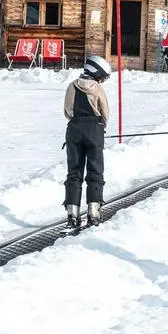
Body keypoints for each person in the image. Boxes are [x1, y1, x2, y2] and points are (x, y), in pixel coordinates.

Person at [63, 55, 112, 232]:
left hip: (74, 131)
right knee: (95, 170)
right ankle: (93, 212)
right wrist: (99, 126)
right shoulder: (97, 89)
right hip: (94, 131)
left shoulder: (72, 86)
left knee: (74, 172)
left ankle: (72, 214)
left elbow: (68, 110)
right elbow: (105, 112)